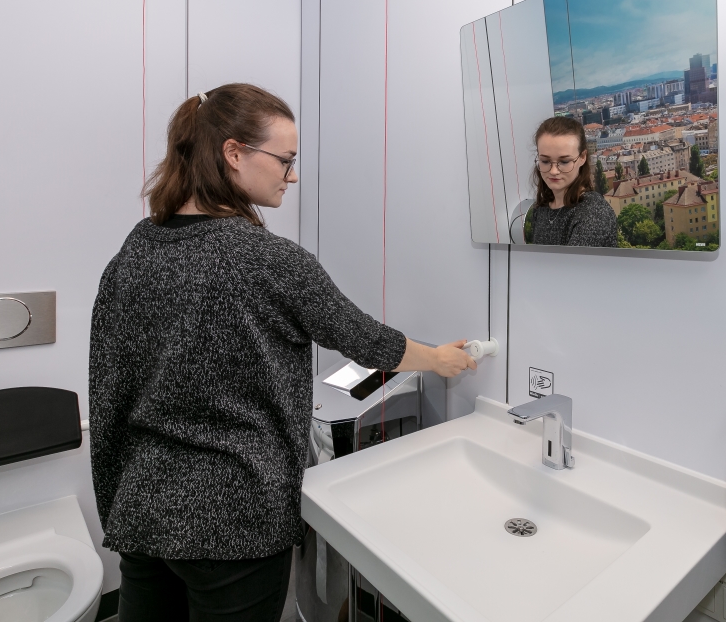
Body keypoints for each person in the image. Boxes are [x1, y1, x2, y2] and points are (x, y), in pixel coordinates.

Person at [88, 83, 476, 622]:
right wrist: (438, 359)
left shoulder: (133, 253)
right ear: (233, 153)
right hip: (236, 520)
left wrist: (118, 504)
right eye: (285, 160)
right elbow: (362, 338)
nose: (292, 176)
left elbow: (107, 395)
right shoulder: (269, 259)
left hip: (144, 508)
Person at [523, 116, 618, 247]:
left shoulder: (593, 214)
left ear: (582, 157)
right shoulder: (542, 208)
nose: (554, 171)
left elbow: (571, 267)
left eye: (564, 161)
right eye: (545, 161)